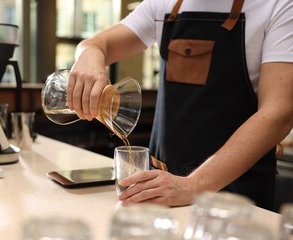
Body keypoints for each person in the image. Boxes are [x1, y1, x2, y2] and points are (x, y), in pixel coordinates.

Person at [66, 0, 293, 211]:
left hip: (235, 199)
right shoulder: (165, 3)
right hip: (162, 191)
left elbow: (278, 112)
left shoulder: (279, 5)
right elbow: (97, 44)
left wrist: (193, 185)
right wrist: (89, 53)